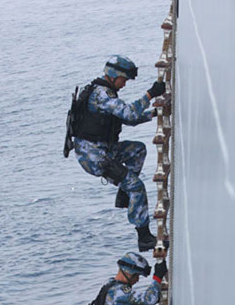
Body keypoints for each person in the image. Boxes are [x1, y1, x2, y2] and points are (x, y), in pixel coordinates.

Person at [66, 55, 165, 252]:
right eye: (124, 79)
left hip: (103, 149)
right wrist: (150, 94)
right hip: (94, 157)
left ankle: (122, 194)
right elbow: (129, 113)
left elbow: (129, 119)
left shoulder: (105, 92)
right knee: (136, 187)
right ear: (114, 76)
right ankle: (144, 237)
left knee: (137, 150)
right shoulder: (101, 95)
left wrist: (154, 114)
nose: (125, 84)